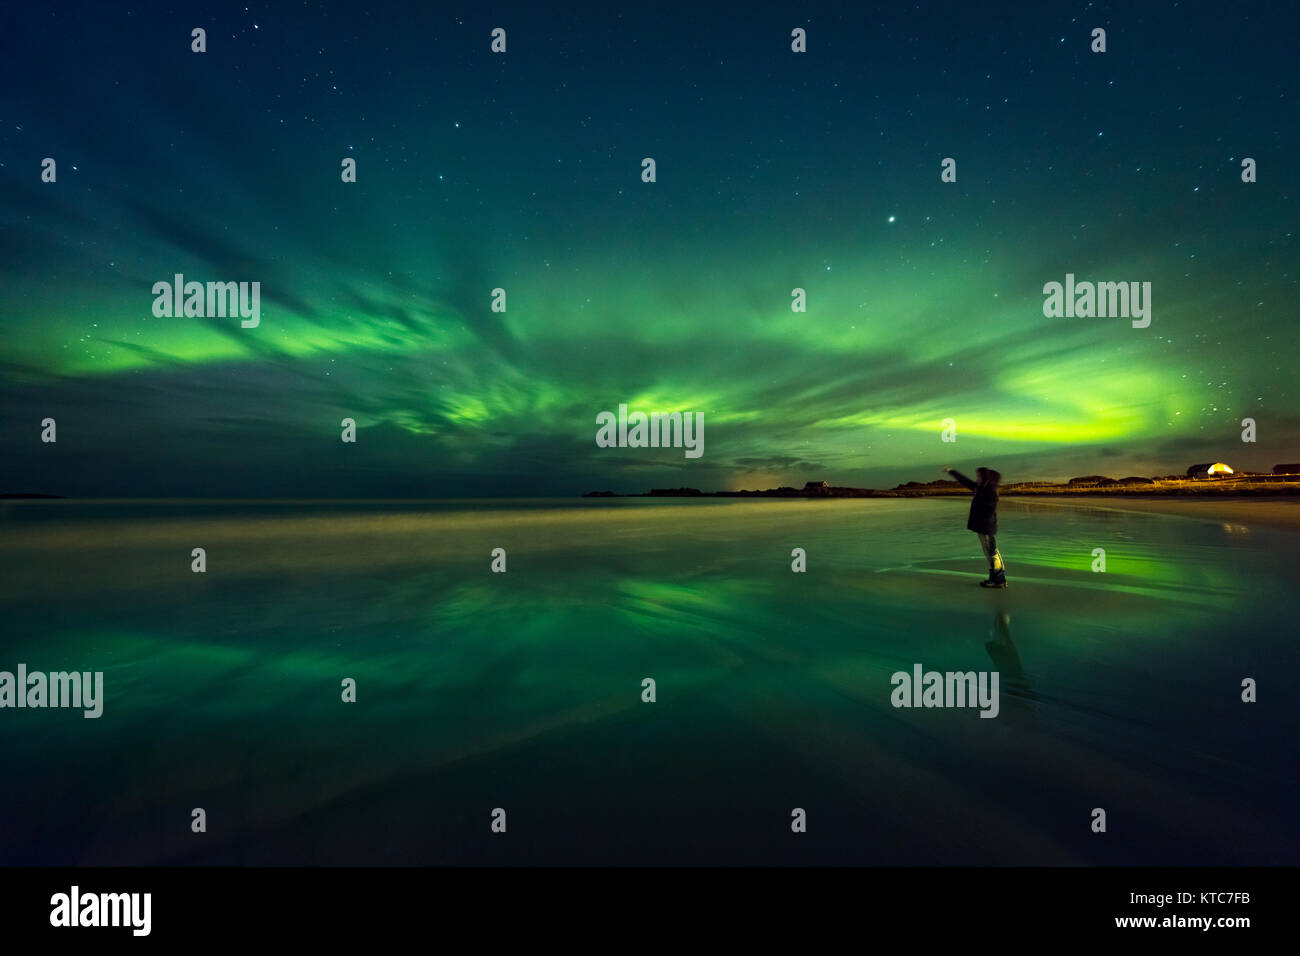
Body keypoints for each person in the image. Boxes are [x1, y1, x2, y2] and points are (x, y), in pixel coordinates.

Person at [942, 465, 1006, 588]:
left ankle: (999, 580)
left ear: (985, 478)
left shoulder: (990, 490)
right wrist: (952, 471)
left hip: (986, 527)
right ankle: (996, 578)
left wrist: (983, 520)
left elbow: (990, 509)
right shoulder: (981, 488)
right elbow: (964, 481)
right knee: (990, 552)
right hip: (984, 526)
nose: (977, 478)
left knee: (991, 553)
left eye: (979, 476)